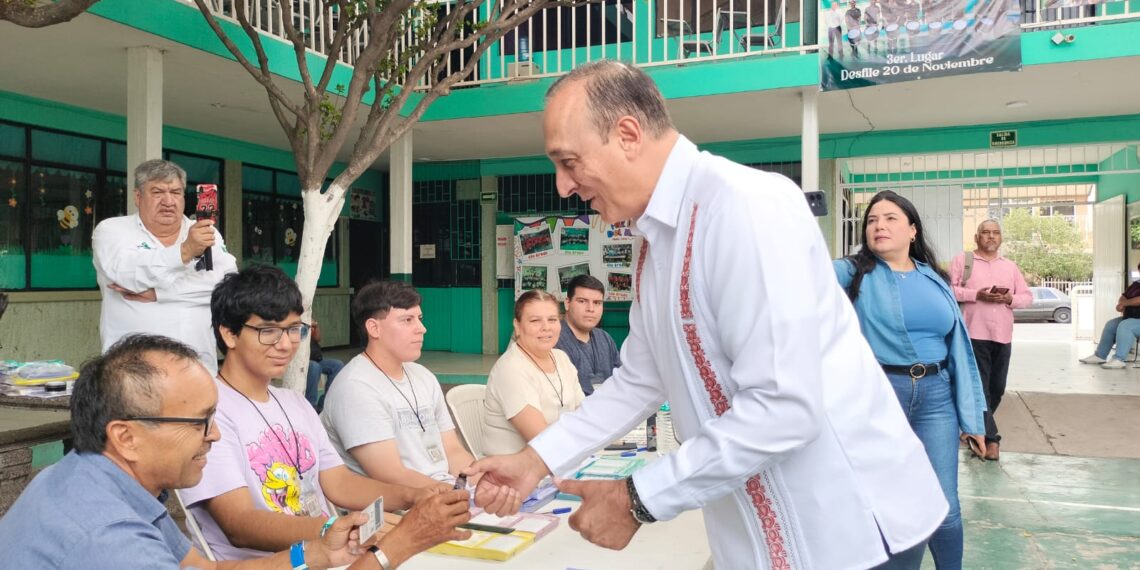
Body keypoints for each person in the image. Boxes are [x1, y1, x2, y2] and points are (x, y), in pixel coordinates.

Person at [466, 60, 948, 569]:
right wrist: (534, 461)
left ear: (627, 134)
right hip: (755, 534)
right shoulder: (656, 240)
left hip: (847, 530)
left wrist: (637, 498)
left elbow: (784, 408)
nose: (563, 186)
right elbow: (639, 380)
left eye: (569, 162)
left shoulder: (746, 208)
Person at [0, 334, 472, 569]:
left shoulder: (105, 481)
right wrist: (397, 547)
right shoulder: (106, 537)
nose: (216, 436)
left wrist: (311, 553)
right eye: (199, 422)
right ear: (126, 437)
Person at [180, 266, 512, 560]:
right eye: (269, 331)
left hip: (334, 551)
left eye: (295, 329)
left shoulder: (294, 404)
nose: (285, 344)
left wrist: (417, 495)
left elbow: (339, 483)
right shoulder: (210, 411)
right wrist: (335, 528)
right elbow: (239, 524)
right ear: (229, 333)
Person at [835, 190, 987, 569]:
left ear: (912, 231)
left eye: (890, 219)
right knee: (889, 506)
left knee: (946, 507)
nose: (879, 226)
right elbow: (797, 280)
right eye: (872, 220)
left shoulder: (933, 278)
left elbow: (959, 350)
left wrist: (973, 418)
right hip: (882, 395)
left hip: (937, 396)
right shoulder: (851, 271)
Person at [321, 280, 482, 489]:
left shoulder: (423, 376)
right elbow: (391, 476)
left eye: (420, 319)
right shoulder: (355, 388)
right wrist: (454, 495)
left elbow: (452, 451)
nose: (422, 329)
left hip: (445, 493)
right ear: (374, 328)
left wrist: (482, 482)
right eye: (407, 320)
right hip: (400, 508)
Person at [93, 159, 237, 374]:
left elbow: (228, 287)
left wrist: (159, 293)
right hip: (131, 371)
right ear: (138, 196)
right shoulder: (112, 230)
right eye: (158, 192)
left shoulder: (207, 232)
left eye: (176, 192)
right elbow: (127, 275)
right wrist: (185, 251)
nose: (168, 201)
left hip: (197, 369)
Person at [950, 219, 1031, 461]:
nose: (991, 237)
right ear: (977, 237)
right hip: (973, 333)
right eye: (985, 232)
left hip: (1002, 335)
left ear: (1001, 238)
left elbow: (1026, 297)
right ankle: (991, 440)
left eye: (995, 233)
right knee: (980, 389)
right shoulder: (963, 261)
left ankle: (973, 427)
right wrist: (977, 295)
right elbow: (949, 290)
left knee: (997, 388)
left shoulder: (1010, 267)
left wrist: (1008, 300)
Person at [482, 289, 586, 456]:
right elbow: (542, 439)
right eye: (535, 320)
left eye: (552, 319)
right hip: (513, 473)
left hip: (560, 460)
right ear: (517, 325)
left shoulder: (561, 358)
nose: (546, 328)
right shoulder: (511, 368)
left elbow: (584, 414)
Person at [555, 274, 621, 396]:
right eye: (582, 301)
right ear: (567, 303)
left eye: (597, 303)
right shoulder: (553, 339)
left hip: (608, 410)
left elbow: (622, 381)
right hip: (572, 413)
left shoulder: (605, 339)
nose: (590, 309)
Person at [1079, 262, 1140, 369]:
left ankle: (1119, 359)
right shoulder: (1136, 284)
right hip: (1133, 317)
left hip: (1134, 320)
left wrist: (1125, 303)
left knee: (1126, 326)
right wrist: (1121, 303)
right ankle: (1100, 356)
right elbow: (1123, 296)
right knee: (1111, 325)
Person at [306, 320, 345, 411]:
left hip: (316, 358)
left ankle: (324, 403)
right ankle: (310, 407)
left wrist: (316, 327)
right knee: (315, 367)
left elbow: (318, 338)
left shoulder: (309, 318)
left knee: (337, 365)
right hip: (304, 361)